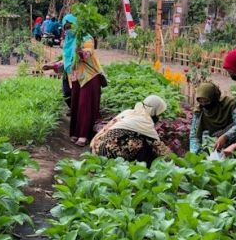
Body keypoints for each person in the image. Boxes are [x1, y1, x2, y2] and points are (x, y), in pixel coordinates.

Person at [90, 95, 172, 166]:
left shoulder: (130, 112)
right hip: (107, 154)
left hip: (97, 147)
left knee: (138, 139)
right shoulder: (145, 120)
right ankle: (140, 169)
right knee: (147, 147)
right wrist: (172, 161)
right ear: (153, 111)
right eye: (158, 113)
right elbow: (157, 145)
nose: (159, 116)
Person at [62, 14, 104, 146]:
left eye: (70, 26)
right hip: (75, 77)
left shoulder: (86, 37)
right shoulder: (68, 41)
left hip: (89, 77)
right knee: (76, 105)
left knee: (85, 106)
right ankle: (75, 133)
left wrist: (80, 50)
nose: (68, 29)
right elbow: (67, 60)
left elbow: (87, 54)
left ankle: (84, 136)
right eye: (66, 27)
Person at [189, 82, 236, 154]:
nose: (203, 104)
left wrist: (225, 136)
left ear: (214, 98)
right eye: (200, 101)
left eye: (206, 101)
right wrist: (194, 154)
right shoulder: (199, 111)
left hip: (234, 141)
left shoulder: (229, 104)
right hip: (212, 144)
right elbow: (194, 134)